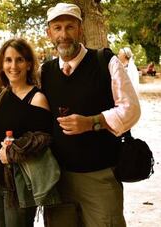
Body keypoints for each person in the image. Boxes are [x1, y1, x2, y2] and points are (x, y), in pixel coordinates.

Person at [41, 3, 140, 227]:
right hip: (58, 180)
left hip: (100, 178)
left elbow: (131, 109)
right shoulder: (44, 72)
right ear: (49, 33)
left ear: (81, 29)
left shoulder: (105, 61)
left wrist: (93, 122)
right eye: (57, 28)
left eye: (70, 27)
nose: (63, 34)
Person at [0, 38, 60, 227]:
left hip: (20, 186)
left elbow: (44, 141)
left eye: (19, 60)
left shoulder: (37, 99)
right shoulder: (3, 94)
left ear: (29, 64)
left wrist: (13, 152)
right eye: (8, 60)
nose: (13, 66)